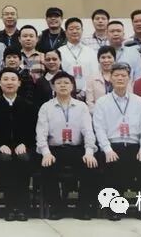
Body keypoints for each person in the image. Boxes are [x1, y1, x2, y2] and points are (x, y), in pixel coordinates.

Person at [92, 63, 141, 221]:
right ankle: (113, 208)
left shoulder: (139, 101)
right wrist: (107, 149)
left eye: (123, 75)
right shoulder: (102, 102)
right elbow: (99, 128)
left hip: (135, 146)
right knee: (111, 165)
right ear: (110, 78)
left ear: (129, 79)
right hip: (113, 145)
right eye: (116, 75)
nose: (120, 78)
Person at [36, 71, 99, 220]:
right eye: (59, 83)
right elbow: (41, 133)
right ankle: (57, 208)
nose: (63, 86)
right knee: (46, 168)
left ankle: (83, 208)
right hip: (54, 150)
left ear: (72, 86)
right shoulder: (46, 107)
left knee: (91, 166)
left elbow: (88, 131)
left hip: (77, 149)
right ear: (53, 87)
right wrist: (46, 153)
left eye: (66, 83)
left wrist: (89, 152)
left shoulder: (81, 106)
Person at [0, 68, 36, 221]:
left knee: (23, 159)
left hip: (24, 147)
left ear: (19, 83)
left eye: (13, 79)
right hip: (1, 148)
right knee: (5, 160)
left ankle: (22, 208)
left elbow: (34, 131)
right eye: (5, 79)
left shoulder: (28, 106)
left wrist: (25, 144)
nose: (9, 82)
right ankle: (9, 207)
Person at [59, 17, 97, 96]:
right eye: (71, 29)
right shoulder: (60, 51)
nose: (74, 31)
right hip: (66, 93)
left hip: (88, 93)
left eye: (77, 28)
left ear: (82, 31)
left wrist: (84, 91)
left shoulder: (90, 51)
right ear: (65, 32)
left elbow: (95, 73)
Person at [85, 46, 119, 113]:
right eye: (103, 57)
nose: (106, 60)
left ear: (114, 59)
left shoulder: (121, 76)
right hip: (98, 114)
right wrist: (100, 115)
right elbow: (90, 102)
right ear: (98, 60)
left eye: (109, 57)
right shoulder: (91, 79)